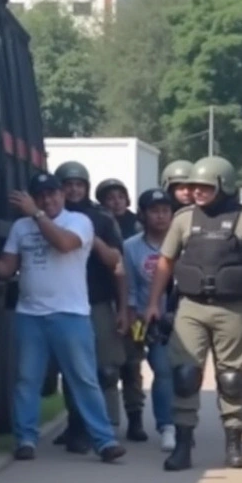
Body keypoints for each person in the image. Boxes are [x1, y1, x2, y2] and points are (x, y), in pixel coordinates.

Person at [0, 172, 126, 463]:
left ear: (61, 196)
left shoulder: (79, 222)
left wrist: (36, 214)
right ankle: (25, 439)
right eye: (41, 196)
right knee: (27, 380)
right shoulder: (21, 228)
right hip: (30, 315)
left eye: (52, 194)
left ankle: (104, 440)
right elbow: (8, 267)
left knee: (84, 379)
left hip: (71, 314)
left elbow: (63, 244)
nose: (47, 200)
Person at [144, 155, 242, 471]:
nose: (197, 192)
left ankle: (234, 444)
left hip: (232, 307)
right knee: (185, 376)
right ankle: (183, 447)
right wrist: (153, 303)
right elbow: (166, 261)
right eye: (194, 186)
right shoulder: (184, 219)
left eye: (205, 186)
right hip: (191, 306)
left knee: (231, 379)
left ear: (223, 185)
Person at [52, 161, 131, 453]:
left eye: (79, 184)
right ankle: (77, 425)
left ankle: (107, 427)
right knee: (72, 371)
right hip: (62, 303)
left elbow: (118, 266)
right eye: (67, 184)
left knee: (106, 369)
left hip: (97, 301)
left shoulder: (101, 218)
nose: (73, 189)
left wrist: (122, 308)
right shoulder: (51, 217)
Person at [122, 188, 178, 451]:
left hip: (178, 316)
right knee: (146, 366)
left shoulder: (183, 242)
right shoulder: (132, 247)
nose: (160, 216)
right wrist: (133, 316)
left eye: (165, 211)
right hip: (145, 317)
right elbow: (130, 286)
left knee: (174, 370)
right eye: (154, 211)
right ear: (143, 215)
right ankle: (151, 422)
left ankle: (175, 423)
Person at [96, 177, 148, 442]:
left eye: (119, 196)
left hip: (134, 304)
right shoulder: (101, 224)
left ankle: (136, 418)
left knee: (131, 363)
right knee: (107, 368)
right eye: (109, 198)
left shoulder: (137, 226)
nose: (115, 202)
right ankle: (109, 422)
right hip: (107, 301)